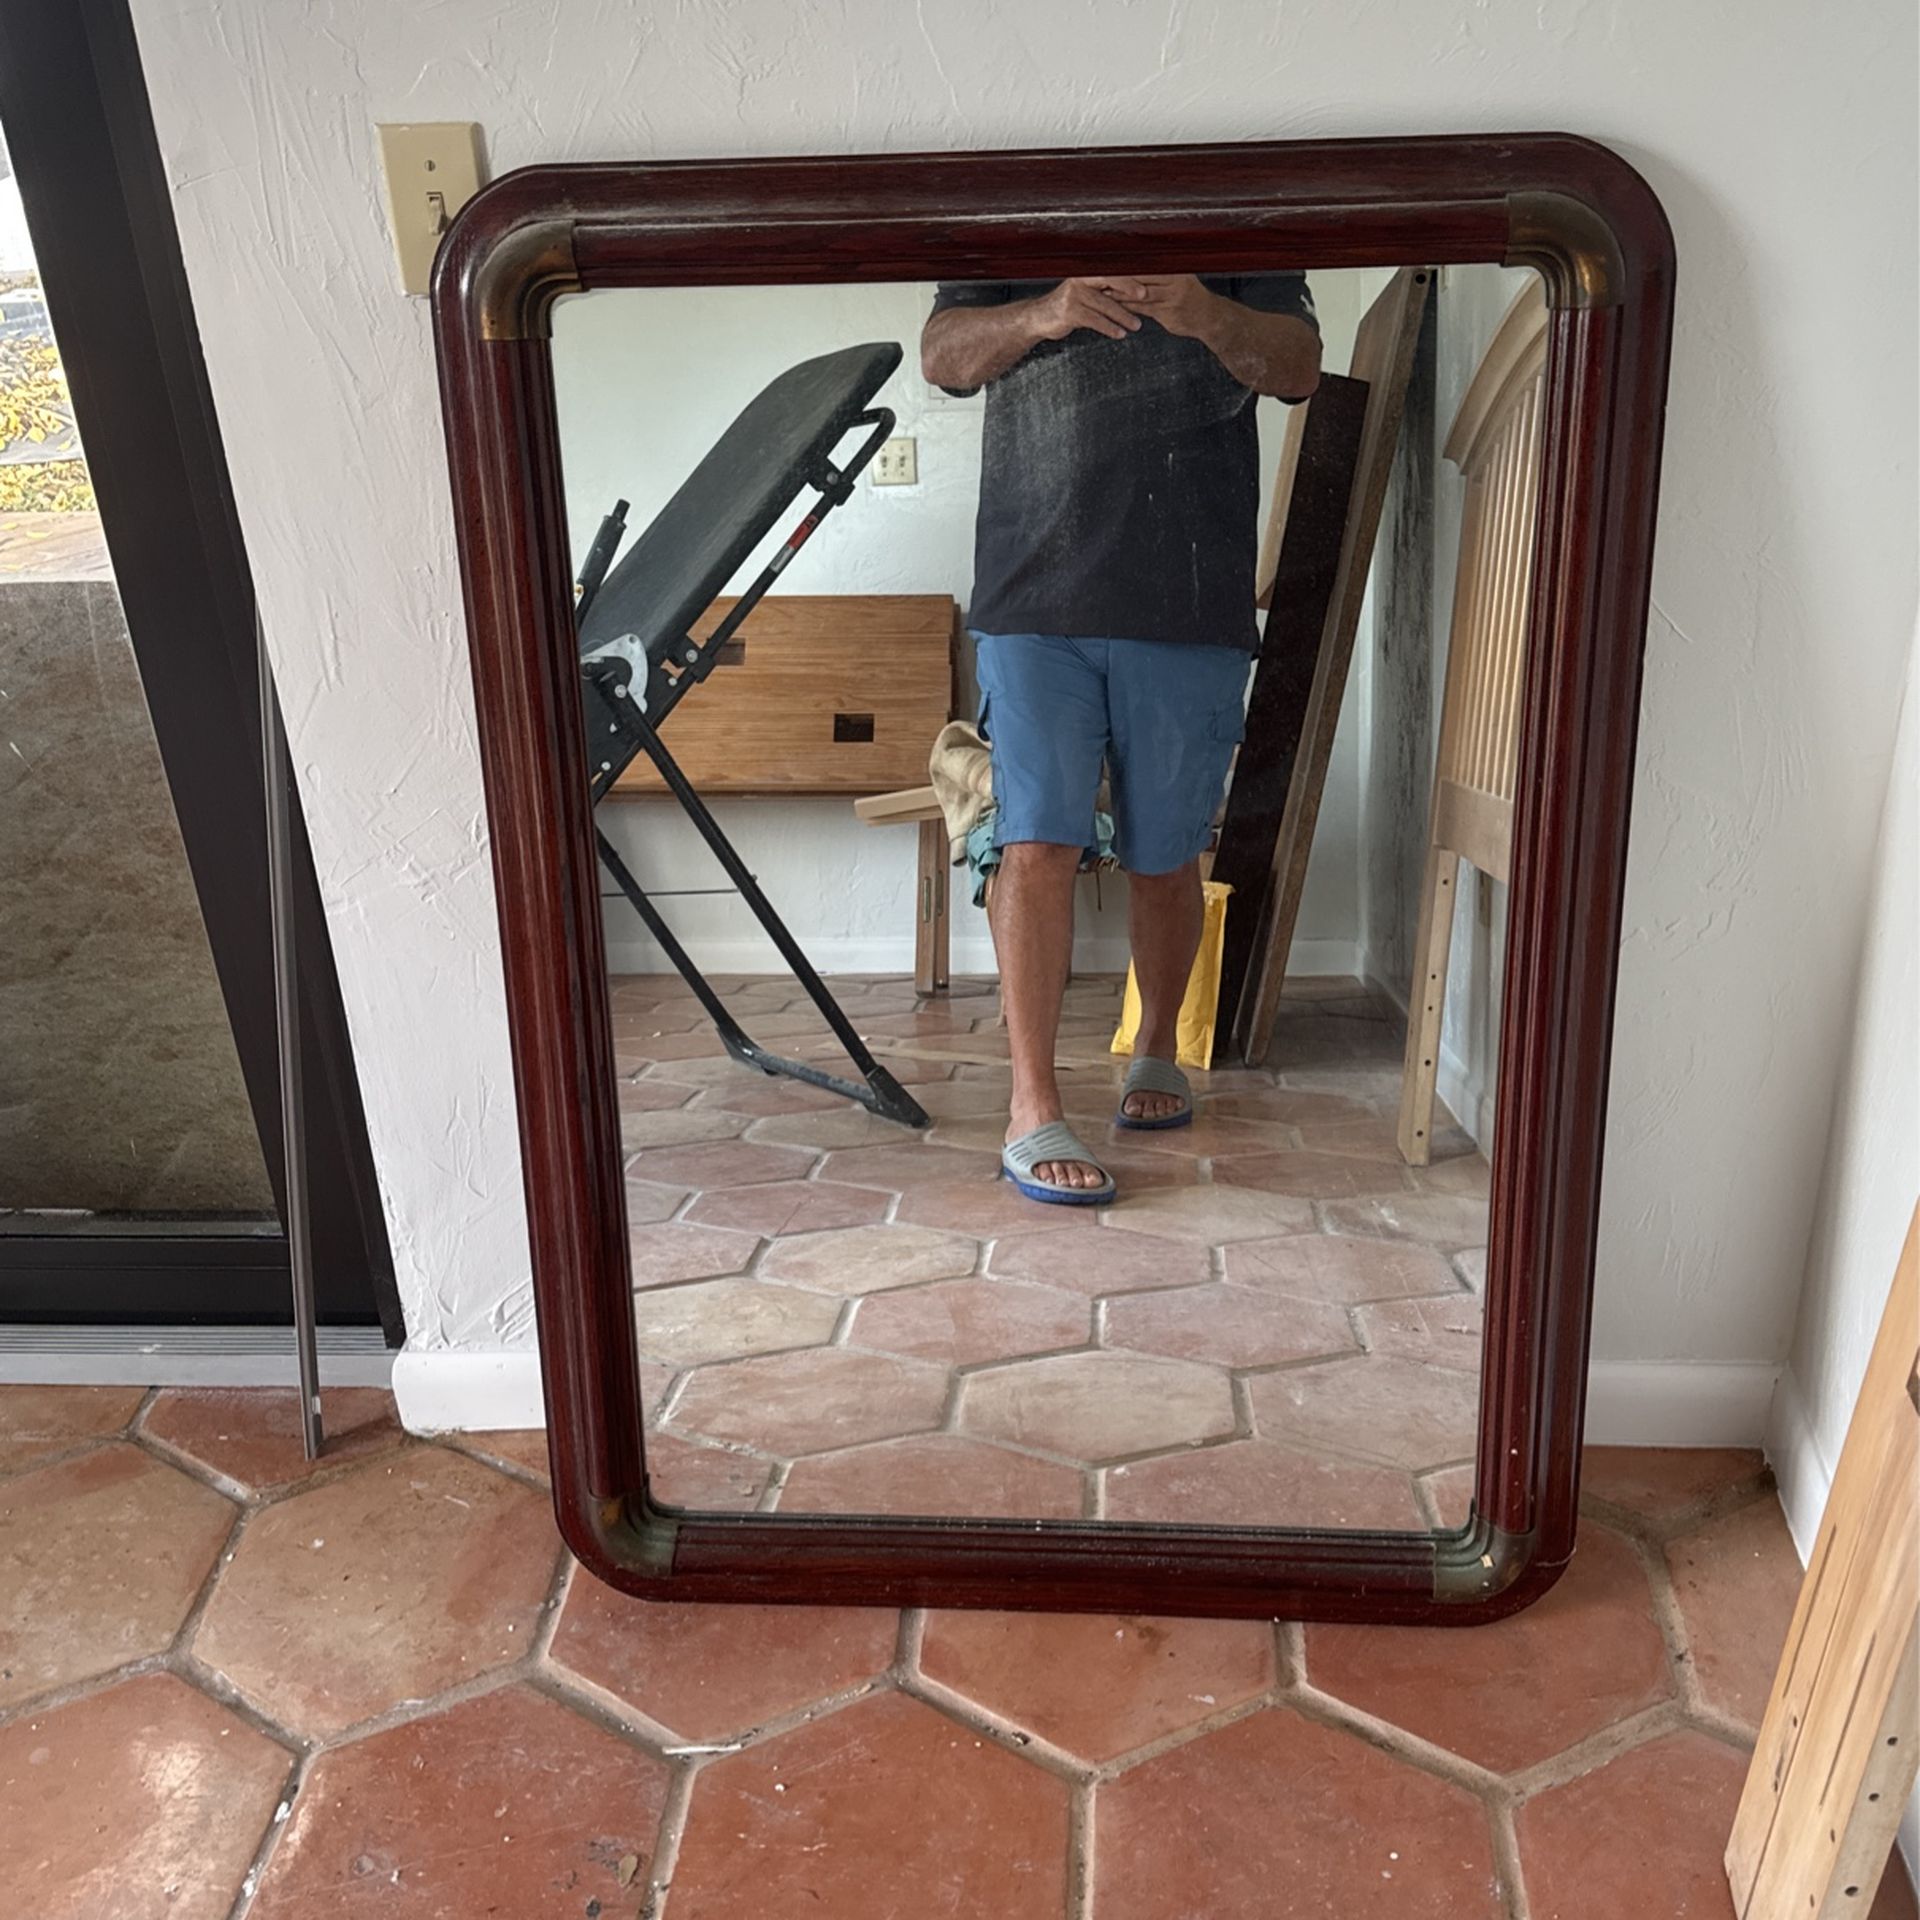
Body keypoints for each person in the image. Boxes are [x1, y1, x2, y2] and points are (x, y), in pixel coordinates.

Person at [921, 272, 1322, 1205]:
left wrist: (1202, 310)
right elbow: (942, 355)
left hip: (1189, 597)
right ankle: (1033, 1104)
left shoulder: (1229, 212)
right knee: (1036, 842)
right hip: (1032, 595)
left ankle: (1153, 1053)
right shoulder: (1018, 211)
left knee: (1165, 851)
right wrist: (1047, 311)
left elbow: (1300, 367)